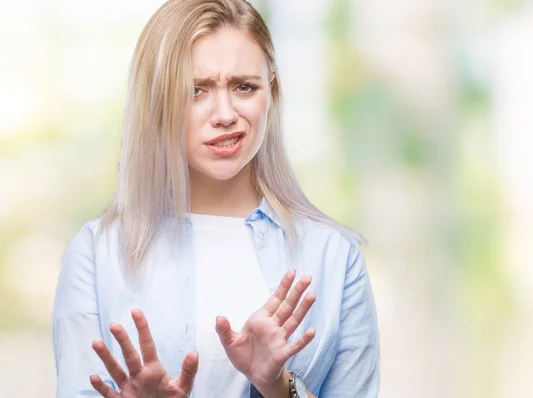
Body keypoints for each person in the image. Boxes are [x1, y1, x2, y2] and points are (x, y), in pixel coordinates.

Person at [51, 0, 380, 397]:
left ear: (271, 92)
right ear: (156, 102)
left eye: (244, 86)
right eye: (195, 90)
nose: (224, 113)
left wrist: (278, 387)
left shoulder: (335, 259)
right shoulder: (97, 255)